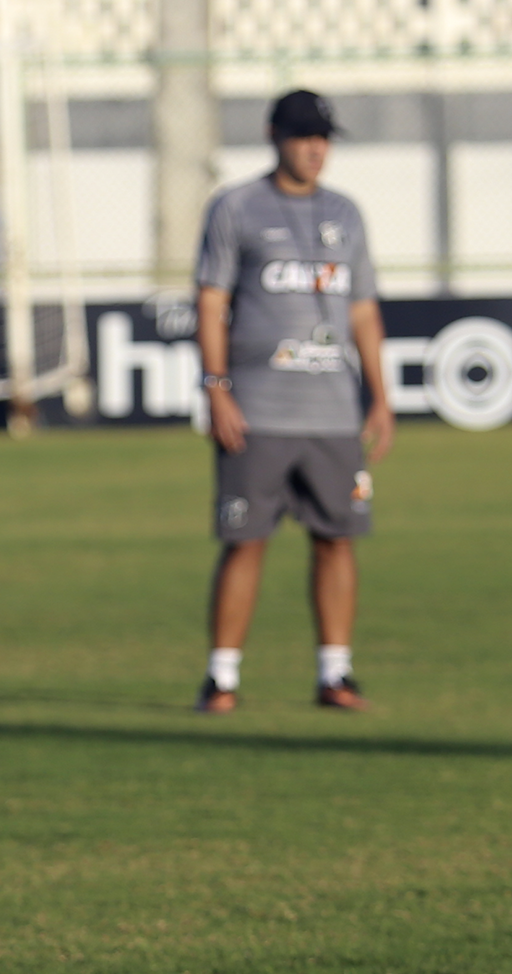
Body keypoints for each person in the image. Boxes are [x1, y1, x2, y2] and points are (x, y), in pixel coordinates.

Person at [192, 89, 395, 714]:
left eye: (323, 138)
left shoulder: (346, 213)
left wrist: (380, 397)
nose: (315, 149)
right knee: (245, 541)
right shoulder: (236, 207)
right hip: (259, 411)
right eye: (303, 136)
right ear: (273, 135)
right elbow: (211, 301)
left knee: (338, 539)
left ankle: (336, 674)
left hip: (332, 414)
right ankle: (222, 679)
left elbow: (363, 309)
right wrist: (216, 387)